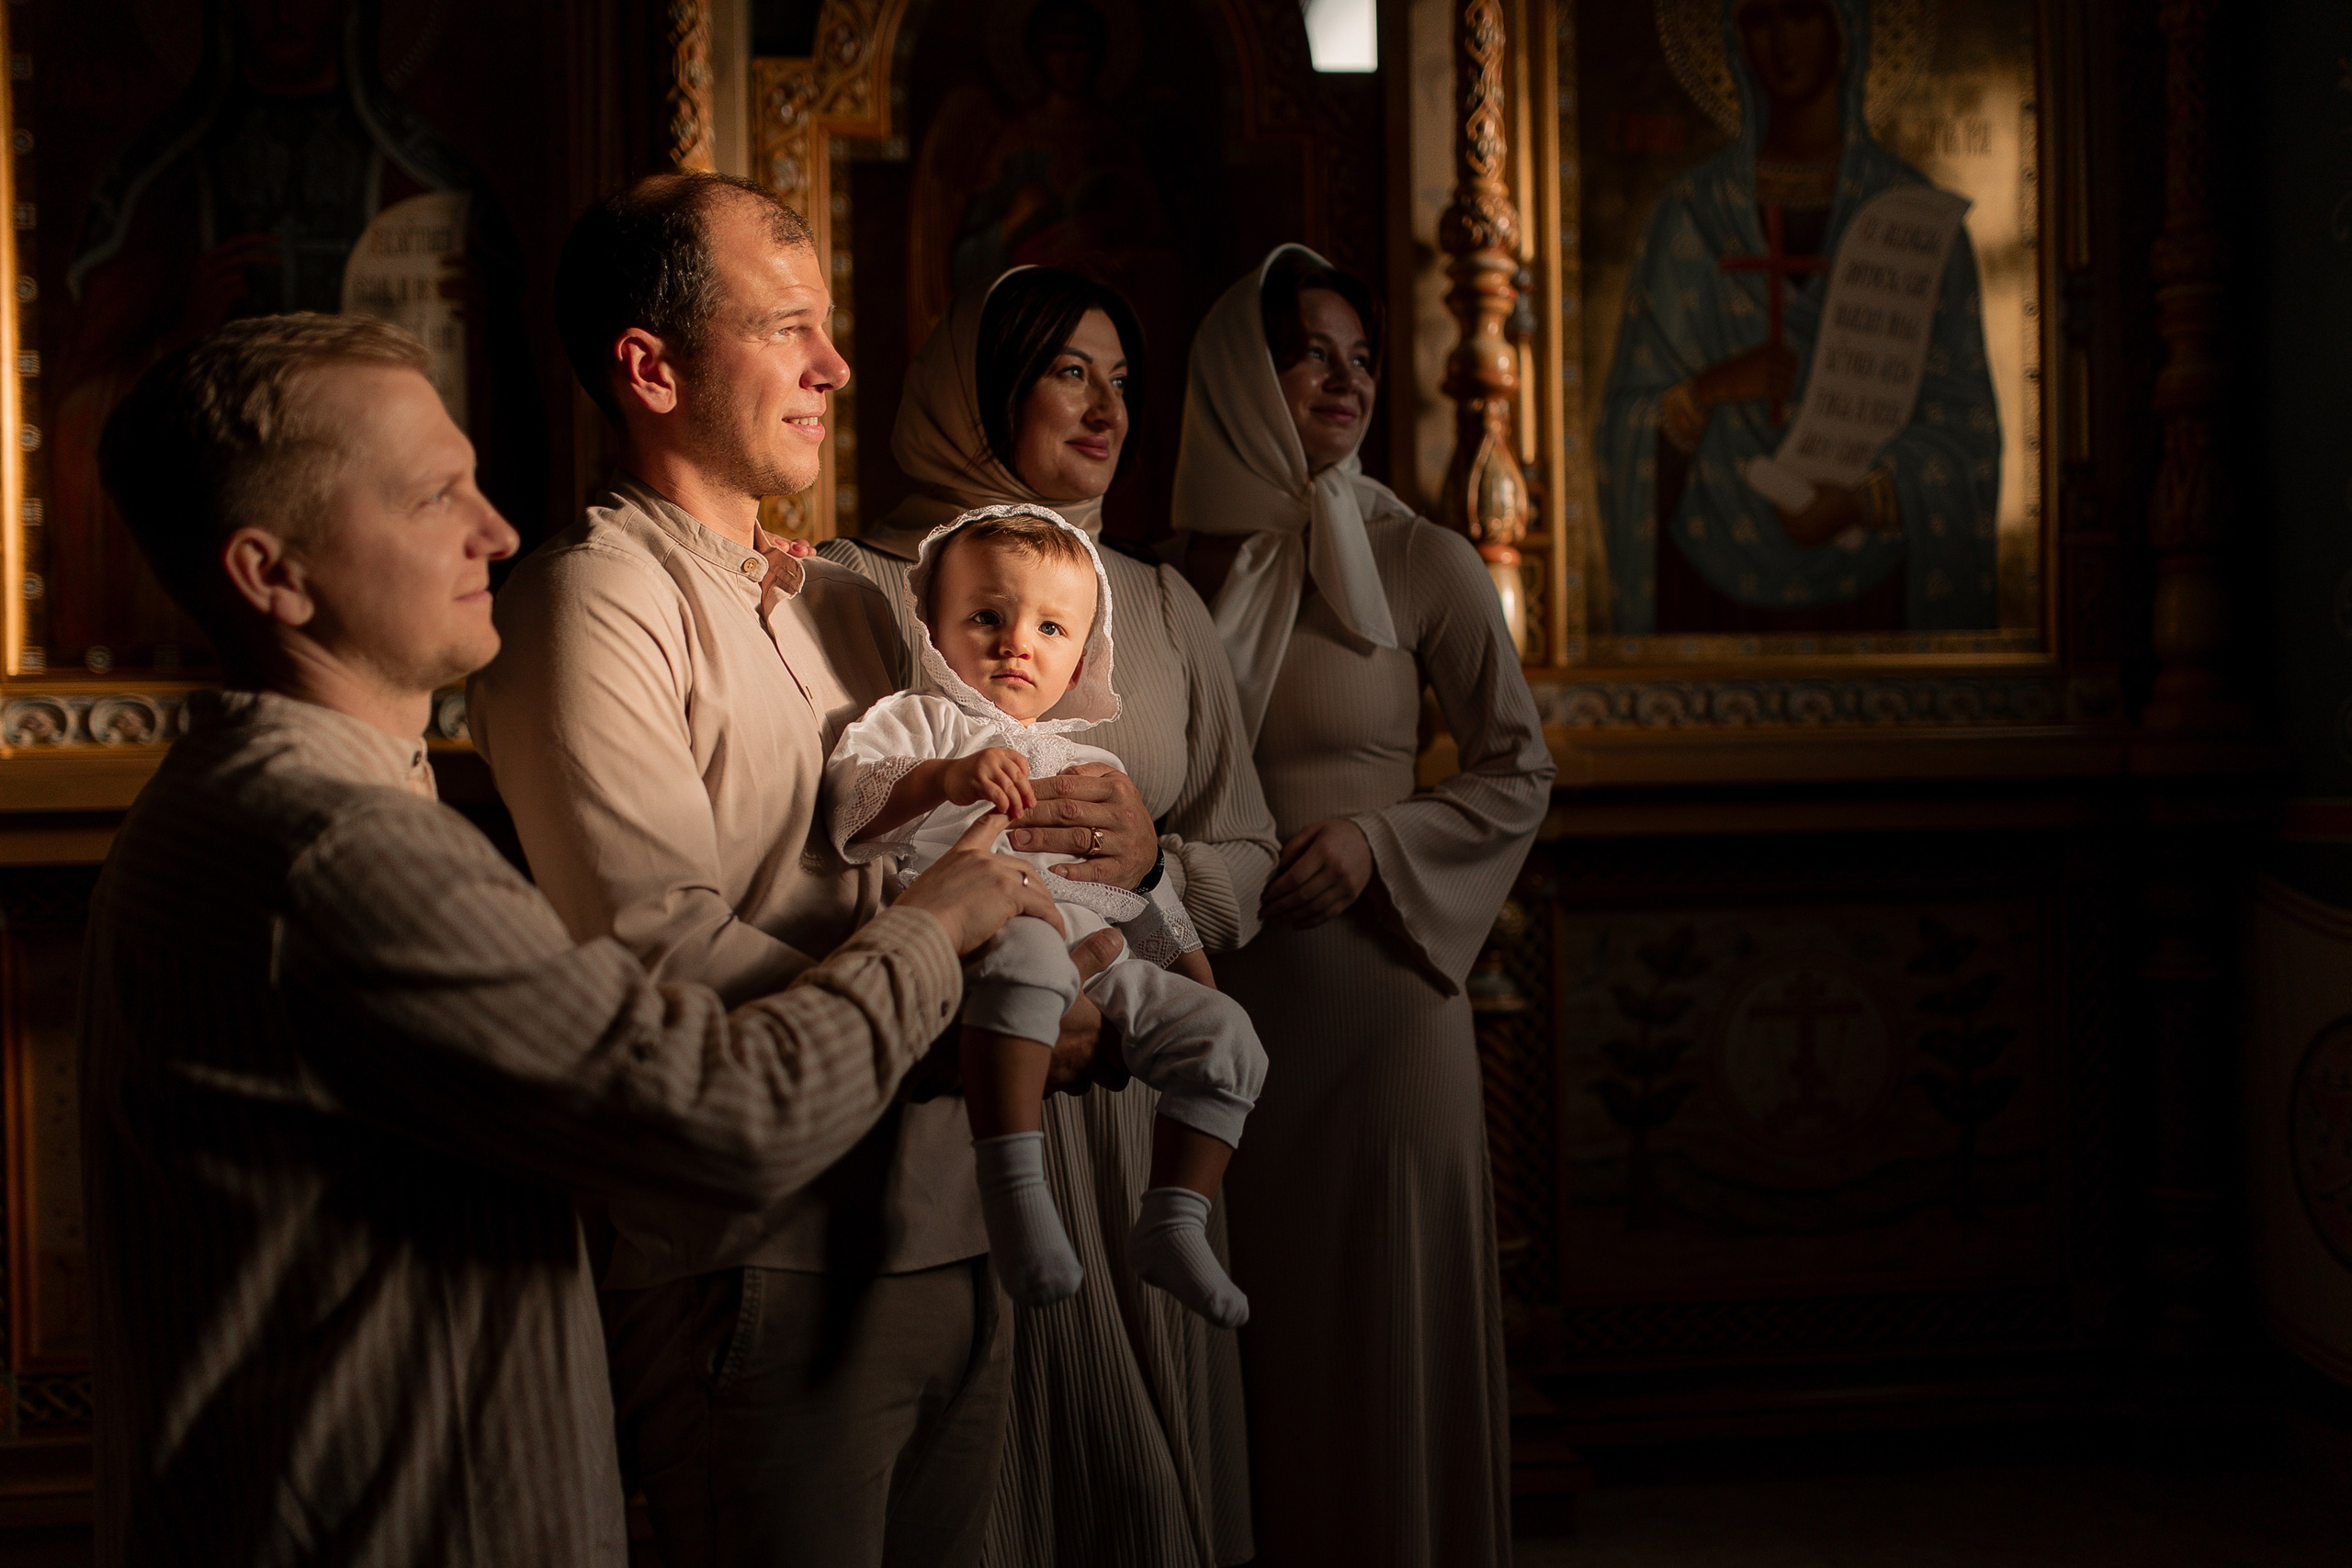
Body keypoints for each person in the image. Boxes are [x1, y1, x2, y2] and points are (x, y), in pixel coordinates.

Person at [80, 312, 1055, 1567]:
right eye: (433, 497)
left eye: (475, 483)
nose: (494, 531)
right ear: (273, 573)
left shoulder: (259, 804)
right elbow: (727, 1114)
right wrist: (935, 925)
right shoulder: (337, 848)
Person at [465, 175, 1111, 1568]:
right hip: (760, 1258)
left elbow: (957, 840)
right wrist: (976, 1018)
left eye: (827, 327)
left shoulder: (851, 602)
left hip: (952, 1219)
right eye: (788, 329)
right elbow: (663, 955)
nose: (837, 366)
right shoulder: (591, 600)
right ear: (651, 368)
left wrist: (1099, 887)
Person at [821, 266, 1276, 1567]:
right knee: (1005, 1465)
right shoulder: (852, 583)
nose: (1108, 408)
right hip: (963, 1066)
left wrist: (1159, 861)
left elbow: (1251, 843)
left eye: (1122, 379)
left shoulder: (1161, 602)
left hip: (1132, 1086)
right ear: (977, 388)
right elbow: (827, 828)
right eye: (1070, 371)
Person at [1169, 246, 1556, 1567]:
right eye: (1311, 356)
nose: (1346, 382)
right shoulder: (1165, 575)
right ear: (1242, 374)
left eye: (1362, 360)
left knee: (1382, 1334)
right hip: (1225, 1010)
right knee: (1259, 1330)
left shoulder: (1419, 557)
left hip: (1387, 1008)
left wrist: (1377, 842)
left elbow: (1518, 769)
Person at [830, 505, 1264, 1325]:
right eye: (986, 617)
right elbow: (850, 804)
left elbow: (1140, 889)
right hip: (984, 934)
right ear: (933, 626)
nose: (1016, 644)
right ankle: (1014, 1186)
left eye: (1051, 627)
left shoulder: (1093, 762)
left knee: (1231, 1040)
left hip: (1099, 956)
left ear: (1083, 659)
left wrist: (1196, 976)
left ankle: (1176, 1217)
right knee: (1029, 956)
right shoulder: (920, 721)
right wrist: (941, 778)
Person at [1594, 0, 1999, 634]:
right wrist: (1710, 390)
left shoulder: (1916, 223)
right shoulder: (1691, 216)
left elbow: (1965, 440)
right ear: (1735, 37)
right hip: (1709, 589)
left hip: (1876, 595)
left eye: (1802, 12)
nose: (1781, 40)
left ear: (1845, 28)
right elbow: (1623, 430)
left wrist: (1863, 500)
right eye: (1759, 18)